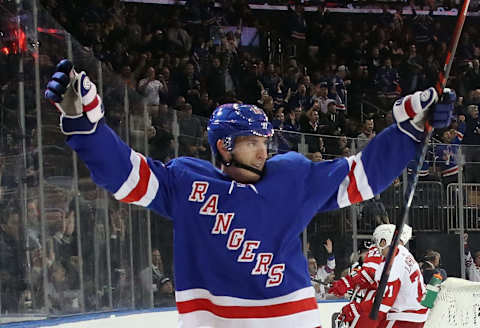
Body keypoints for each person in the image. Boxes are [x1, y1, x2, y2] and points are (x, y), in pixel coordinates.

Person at [45, 59, 453, 328]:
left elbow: (364, 174)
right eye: (252, 141)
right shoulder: (187, 183)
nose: (264, 149)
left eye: (265, 140)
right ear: (224, 146)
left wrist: (409, 129)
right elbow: (123, 173)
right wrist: (86, 126)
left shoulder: (293, 178)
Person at [339, 224, 427, 328]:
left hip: (406, 317)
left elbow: (384, 303)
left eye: (378, 242)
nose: (377, 247)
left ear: (384, 241)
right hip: (415, 313)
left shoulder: (394, 264)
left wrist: (357, 308)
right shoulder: (402, 252)